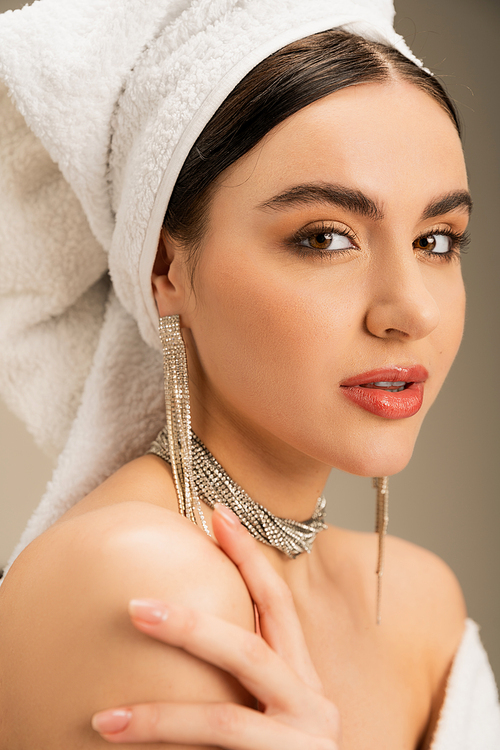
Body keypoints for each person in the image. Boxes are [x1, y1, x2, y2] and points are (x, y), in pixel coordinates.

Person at [0, 1, 498, 748]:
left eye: (436, 239)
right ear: (167, 268)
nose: (409, 311)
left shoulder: (417, 600)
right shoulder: (146, 582)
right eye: (325, 237)